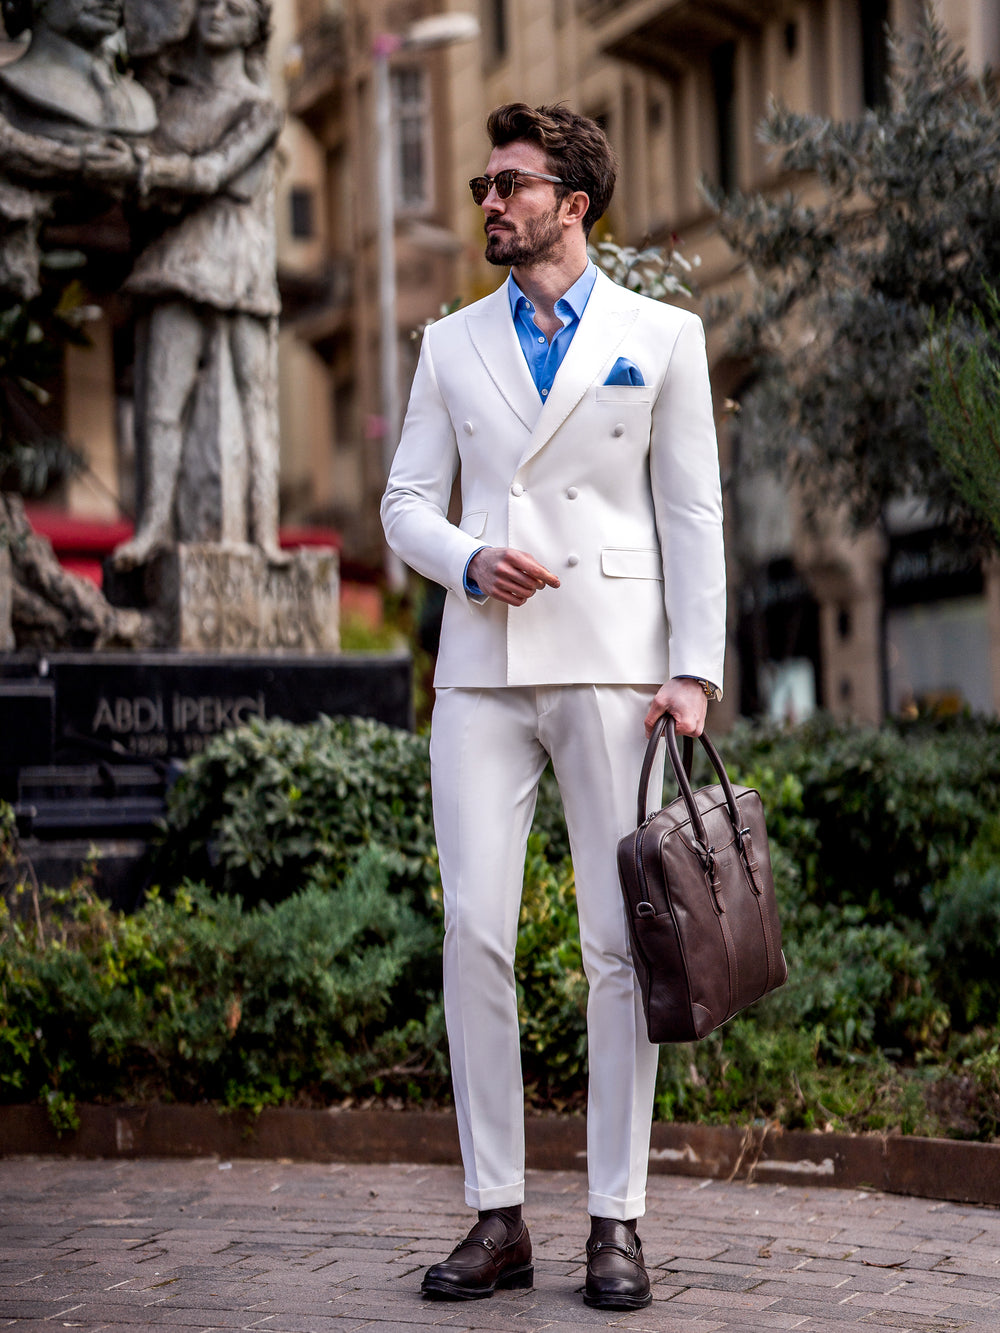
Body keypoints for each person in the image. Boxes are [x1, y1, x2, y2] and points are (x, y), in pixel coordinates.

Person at [381, 102, 726, 1311]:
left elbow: (690, 513)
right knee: (473, 930)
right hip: (481, 667)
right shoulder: (447, 343)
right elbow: (405, 503)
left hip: (619, 671)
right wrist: (468, 559)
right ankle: (496, 1215)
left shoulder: (662, 335)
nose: (488, 201)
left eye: (509, 185)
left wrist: (694, 669)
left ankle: (614, 1221)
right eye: (482, 184)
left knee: (617, 949)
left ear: (571, 204)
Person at [112, 0, 283, 569]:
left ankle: (265, 537)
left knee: (258, 403)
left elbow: (214, 171)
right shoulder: (166, 101)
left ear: (254, 30)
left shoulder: (260, 108)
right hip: (176, 262)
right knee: (161, 401)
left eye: (234, 10)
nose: (216, 15)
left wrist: (150, 170)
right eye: (210, 5)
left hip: (237, 262)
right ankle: (153, 529)